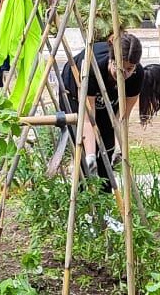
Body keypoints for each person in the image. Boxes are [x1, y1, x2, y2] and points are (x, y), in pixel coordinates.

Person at [55, 29, 142, 181]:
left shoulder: (136, 75)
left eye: (129, 69)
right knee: (84, 151)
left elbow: (122, 117)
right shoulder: (92, 67)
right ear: (111, 60)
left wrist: (119, 147)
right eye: (119, 68)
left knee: (107, 148)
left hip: (107, 95)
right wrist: (90, 156)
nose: (124, 74)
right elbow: (88, 119)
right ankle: (82, 186)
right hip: (75, 91)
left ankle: (106, 191)